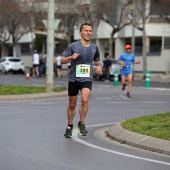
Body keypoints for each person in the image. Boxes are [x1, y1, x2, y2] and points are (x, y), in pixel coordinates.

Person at [60, 23, 102, 138]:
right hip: (74, 78)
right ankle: (69, 126)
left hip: (87, 78)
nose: (88, 33)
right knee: (72, 105)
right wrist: (70, 57)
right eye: (86, 31)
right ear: (80, 33)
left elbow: (97, 61)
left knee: (84, 99)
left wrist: (99, 66)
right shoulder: (73, 46)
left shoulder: (94, 47)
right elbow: (62, 60)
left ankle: (81, 123)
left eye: (90, 31)